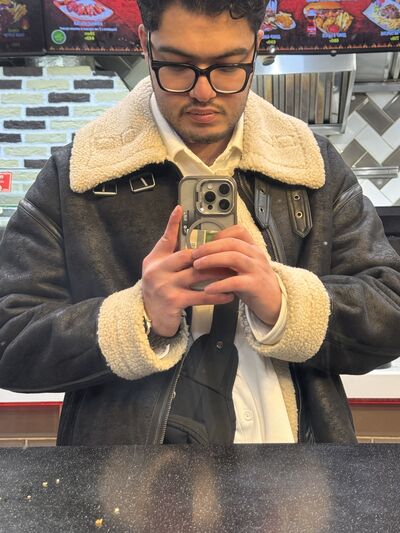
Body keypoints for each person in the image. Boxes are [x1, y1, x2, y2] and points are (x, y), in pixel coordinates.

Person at [0, 0, 399, 446]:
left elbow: (391, 308)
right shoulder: (76, 175)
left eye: (228, 67)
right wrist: (137, 316)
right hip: (130, 479)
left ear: (256, 47)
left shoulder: (312, 165)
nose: (204, 93)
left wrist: (283, 302)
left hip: (300, 473)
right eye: (177, 65)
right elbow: (8, 337)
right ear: (145, 46)